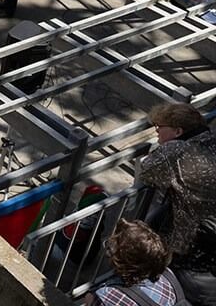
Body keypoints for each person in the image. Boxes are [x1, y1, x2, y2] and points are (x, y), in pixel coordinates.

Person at [139, 102, 216, 301]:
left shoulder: (177, 150)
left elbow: (146, 171)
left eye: (160, 126)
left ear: (177, 131)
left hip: (189, 262)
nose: (156, 131)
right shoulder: (212, 139)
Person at [90, 220, 186, 306]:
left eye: (112, 250)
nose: (108, 252)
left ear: (125, 263)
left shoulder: (108, 295)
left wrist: (91, 300)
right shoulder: (168, 278)